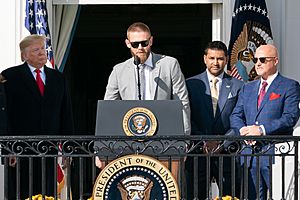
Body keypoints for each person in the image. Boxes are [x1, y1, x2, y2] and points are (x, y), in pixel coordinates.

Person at [96, 22, 191, 176]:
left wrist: (184, 141)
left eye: (144, 43)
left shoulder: (169, 64)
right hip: (129, 143)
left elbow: (182, 104)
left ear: (151, 41)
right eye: (135, 44)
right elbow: (108, 110)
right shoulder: (119, 70)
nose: (140, 47)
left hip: (164, 142)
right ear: (127, 43)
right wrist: (101, 147)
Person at [2, 34, 74, 199]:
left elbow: (66, 114)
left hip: (49, 150)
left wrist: (69, 148)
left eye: (43, 48)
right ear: (24, 55)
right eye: (36, 50)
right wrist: (8, 148)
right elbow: (5, 116)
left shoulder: (58, 78)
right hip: (20, 150)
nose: (42, 53)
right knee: (21, 193)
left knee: (46, 194)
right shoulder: (9, 77)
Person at [230, 44, 300, 200]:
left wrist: (261, 130)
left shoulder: (289, 86)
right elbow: (235, 115)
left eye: (263, 59)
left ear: (275, 61)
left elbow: (290, 117)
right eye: (255, 60)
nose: (258, 63)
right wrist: (243, 130)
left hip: (275, 153)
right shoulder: (247, 88)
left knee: (280, 196)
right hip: (249, 155)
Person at [185, 41, 243, 199]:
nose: (215, 62)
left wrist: (222, 143)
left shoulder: (239, 85)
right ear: (205, 59)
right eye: (212, 58)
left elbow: (239, 118)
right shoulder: (190, 84)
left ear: (226, 59)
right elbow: (187, 117)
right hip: (198, 153)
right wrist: (203, 141)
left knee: (231, 197)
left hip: (227, 154)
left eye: (220, 58)